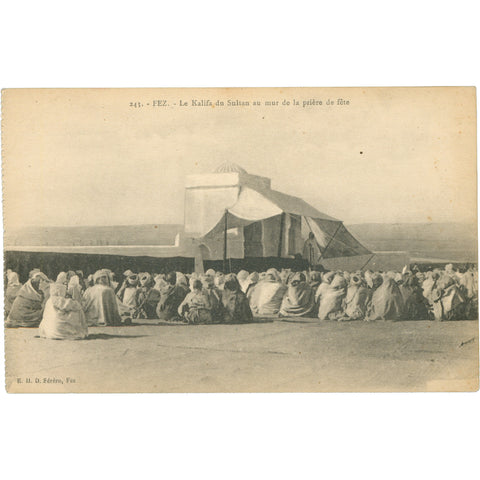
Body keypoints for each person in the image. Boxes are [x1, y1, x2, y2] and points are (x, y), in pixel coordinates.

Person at [38, 272, 88, 340]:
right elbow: (74, 304)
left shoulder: (50, 300)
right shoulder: (63, 296)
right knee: (77, 310)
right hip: (61, 324)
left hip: (51, 330)